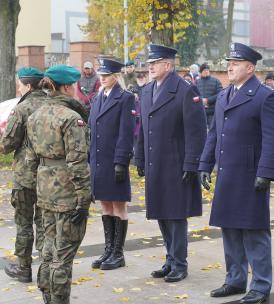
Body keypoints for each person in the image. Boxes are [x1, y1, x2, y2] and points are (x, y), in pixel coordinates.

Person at [199, 42, 274, 303]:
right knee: (230, 229)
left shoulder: (264, 95)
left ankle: (260, 285)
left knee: (254, 231)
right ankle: (235, 279)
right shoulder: (225, 95)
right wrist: (204, 164)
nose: (229, 67)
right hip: (227, 173)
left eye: (235, 63)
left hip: (250, 175)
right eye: (229, 63)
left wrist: (266, 172)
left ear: (250, 67)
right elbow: (214, 133)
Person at [135, 44, 207, 283]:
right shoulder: (146, 91)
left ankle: (179, 263)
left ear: (168, 64)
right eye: (149, 63)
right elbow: (143, 130)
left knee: (176, 216)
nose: (150, 67)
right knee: (161, 213)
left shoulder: (185, 90)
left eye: (155, 63)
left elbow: (197, 132)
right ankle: (170, 259)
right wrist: (140, 158)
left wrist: (191, 165)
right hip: (156, 162)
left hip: (176, 163)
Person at [26, 64, 91, 304]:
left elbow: (32, 158)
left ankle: (47, 298)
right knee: (62, 257)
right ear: (66, 87)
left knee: (47, 252)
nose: (75, 89)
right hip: (67, 193)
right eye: (72, 85)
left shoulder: (35, 115)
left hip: (45, 191)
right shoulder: (71, 118)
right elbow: (78, 162)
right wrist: (84, 199)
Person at [0, 67, 45, 283]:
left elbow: (7, 144)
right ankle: (48, 267)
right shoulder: (53, 104)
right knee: (46, 222)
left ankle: (24, 268)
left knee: (24, 222)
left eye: (19, 84)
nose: (17, 87)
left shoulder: (22, 109)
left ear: (28, 86)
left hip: (26, 175)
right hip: (50, 176)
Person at [90, 59, 135, 271]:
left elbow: (126, 133)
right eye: (101, 75)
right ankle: (108, 250)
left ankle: (118, 253)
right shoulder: (98, 97)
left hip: (114, 160)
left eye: (106, 75)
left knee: (119, 205)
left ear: (116, 76)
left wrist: (121, 161)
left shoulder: (125, 98)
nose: (102, 78)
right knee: (105, 204)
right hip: (99, 161)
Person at [196, 63, 223, 128]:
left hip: (213, 112)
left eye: (207, 70)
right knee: (202, 132)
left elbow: (221, 94)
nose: (206, 71)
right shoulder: (197, 82)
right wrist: (200, 100)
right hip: (201, 112)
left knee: (213, 131)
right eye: (204, 70)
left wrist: (208, 100)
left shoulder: (216, 81)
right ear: (200, 72)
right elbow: (194, 95)